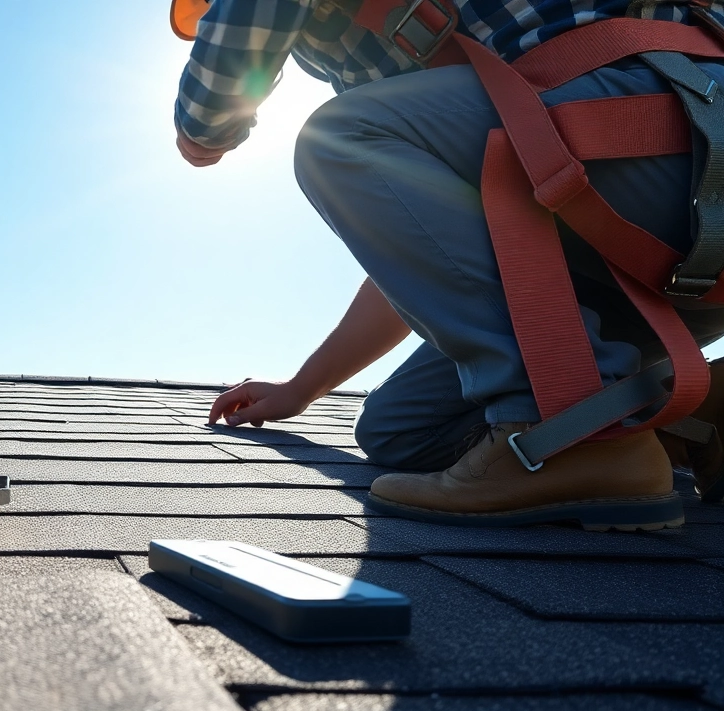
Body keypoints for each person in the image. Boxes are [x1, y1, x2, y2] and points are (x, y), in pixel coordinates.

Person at [176, 0, 724, 529]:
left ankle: (572, 429)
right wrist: (302, 389)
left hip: (670, 128)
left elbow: (218, 100)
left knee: (337, 135)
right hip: (657, 241)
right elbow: (431, 253)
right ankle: (686, 422)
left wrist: (201, 129)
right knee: (402, 431)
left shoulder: (385, 100)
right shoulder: (431, 95)